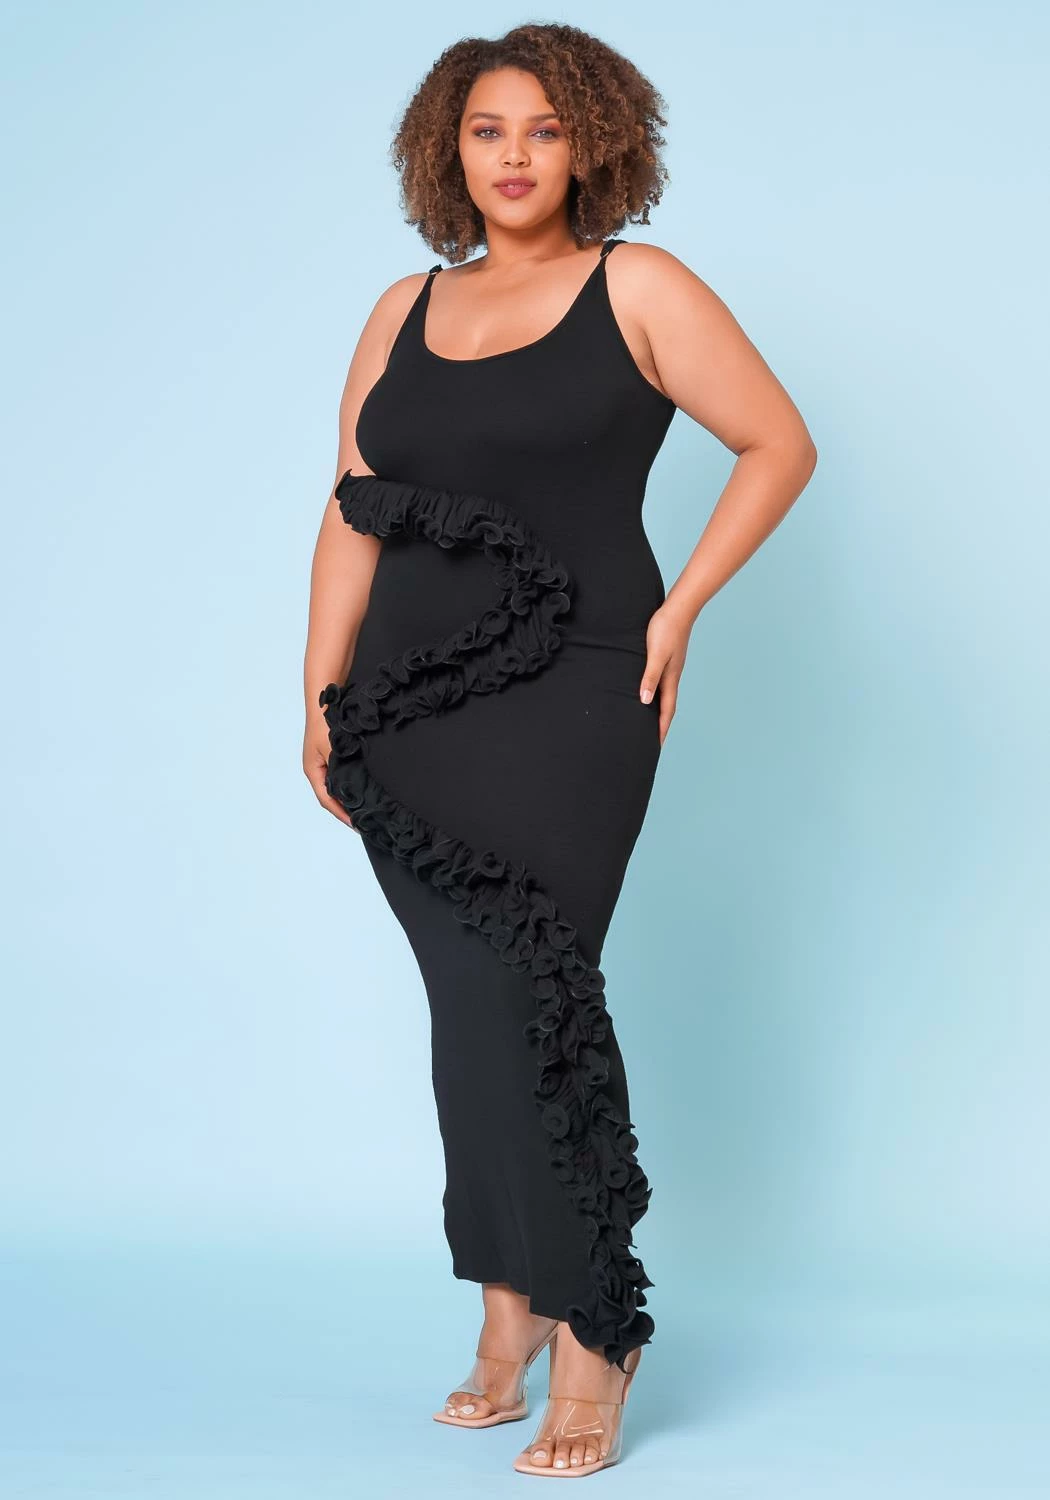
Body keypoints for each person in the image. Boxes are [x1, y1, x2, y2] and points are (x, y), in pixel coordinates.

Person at [302, 22, 817, 1478]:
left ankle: (596, 1327)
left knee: (536, 988)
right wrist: (319, 690)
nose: (514, 155)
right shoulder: (400, 307)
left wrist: (682, 608)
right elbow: (352, 504)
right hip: (407, 701)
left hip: (577, 682)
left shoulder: (637, 286)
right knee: (464, 1003)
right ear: (447, 150)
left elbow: (778, 442)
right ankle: (505, 1303)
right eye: (486, 130)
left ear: (591, 142)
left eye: (542, 127)